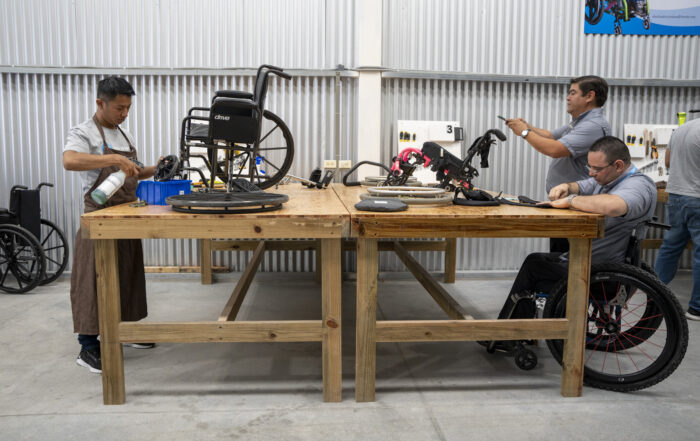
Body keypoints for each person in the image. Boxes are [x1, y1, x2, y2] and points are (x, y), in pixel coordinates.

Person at [497, 136, 657, 319]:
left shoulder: (638, 186)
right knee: (538, 259)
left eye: (596, 169)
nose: (591, 173)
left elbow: (614, 205)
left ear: (619, 165)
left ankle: (511, 336)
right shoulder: (608, 180)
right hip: (592, 263)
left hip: (603, 274)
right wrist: (566, 187)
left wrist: (570, 201)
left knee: (534, 266)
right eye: (590, 167)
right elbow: (582, 185)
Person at [63, 77, 158, 374]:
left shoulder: (124, 134)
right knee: (92, 281)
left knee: (125, 276)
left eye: (128, 108)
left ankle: (122, 332)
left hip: (126, 214)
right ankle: (88, 347)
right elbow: (70, 161)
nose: (124, 113)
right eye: (119, 107)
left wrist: (157, 168)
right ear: (100, 103)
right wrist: (113, 158)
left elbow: (133, 172)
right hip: (99, 216)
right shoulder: (84, 132)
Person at [505, 75, 611, 252]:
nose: (567, 98)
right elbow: (550, 136)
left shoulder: (592, 126)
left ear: (589, 96)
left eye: (572, 93)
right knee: (558, 253)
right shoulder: (579, 122)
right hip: (566, 201)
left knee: (565, 257)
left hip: (577, 203)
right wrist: (527, 126)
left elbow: (554, 149)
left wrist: (524, 133)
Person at [654, 117, 700, 321]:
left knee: (670, 247)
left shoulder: (683, 128)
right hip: (697, 196)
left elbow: (667, 162)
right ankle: (697, 308)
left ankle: (653, 297)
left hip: (676, 196)